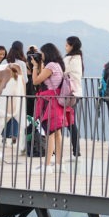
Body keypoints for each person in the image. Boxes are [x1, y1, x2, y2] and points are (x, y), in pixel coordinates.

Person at [30, 42, 72, 171]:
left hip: (50, 102)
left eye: (41, 53)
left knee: (50, 133)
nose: (40, 55)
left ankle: (47, 165)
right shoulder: (58, 65)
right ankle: (59, 164)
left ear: (47, 53)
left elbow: (36, 81)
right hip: (57, 100)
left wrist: (35, 67)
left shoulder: (50, 66)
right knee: (57, 133)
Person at [1, 43, 27, 143]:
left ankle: (3, 135)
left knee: (5, 113)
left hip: (4, 92)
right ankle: (13, 135)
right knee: (15, 113)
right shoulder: (21, 63)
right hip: (17, 92)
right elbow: (25, 80)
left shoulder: (4, 62)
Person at [63, 36, 84, 156]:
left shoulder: (71, 59)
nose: (65, 47)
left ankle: (75, 149)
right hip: (75, 93)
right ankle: (76, 150)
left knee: (69, 122)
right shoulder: (78, 58)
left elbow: (62, 72)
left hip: (70, 94)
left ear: (72, 46)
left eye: (66, 45)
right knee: (70, 122)